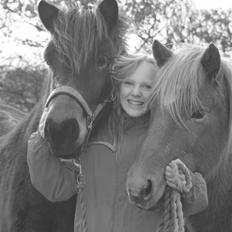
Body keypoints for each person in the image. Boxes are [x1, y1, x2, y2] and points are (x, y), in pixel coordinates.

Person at [27, 53, 208, 232]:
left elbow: (198, 201)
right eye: (129, 83)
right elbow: (58, 188)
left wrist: (186, 184)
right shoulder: (95, 133)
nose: (136, 93)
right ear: (118, 86)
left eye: (147, 86)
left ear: (158, 91)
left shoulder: (165, 138)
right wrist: (40, 140)